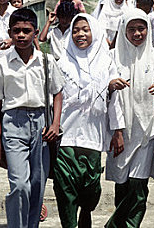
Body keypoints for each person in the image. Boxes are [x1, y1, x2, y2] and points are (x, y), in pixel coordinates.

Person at [0, 8, 65, 228]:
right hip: (13, 123)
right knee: (19, 184)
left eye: (26, 31)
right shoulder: (1, 64)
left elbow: (58, 93)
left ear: (36, 32)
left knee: (37, 183)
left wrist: (55, 123)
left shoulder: (46, 61)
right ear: (10, 33)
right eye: (16, 31)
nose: (21, 35)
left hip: (41, 124)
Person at [53, 14, 123, 228]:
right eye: (75, 30)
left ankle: (86, 212)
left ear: (95, 31)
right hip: (66, 135)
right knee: (65, 187)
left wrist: (117, 131)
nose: (80, 34)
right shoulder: (61, 63)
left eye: (85, 29)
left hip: (93, 135)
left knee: (91, 186)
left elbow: (114, 102)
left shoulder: (106, 63)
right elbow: (53, 97)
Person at [105, 9, 154, 227]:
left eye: (141, 28)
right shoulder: (112, 57)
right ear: (123, 31)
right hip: (121, 132)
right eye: (131, 29)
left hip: (147, 133)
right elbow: (109, 98)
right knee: (122, 185)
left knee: (138, 186)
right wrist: (118, 131)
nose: (137, 34)